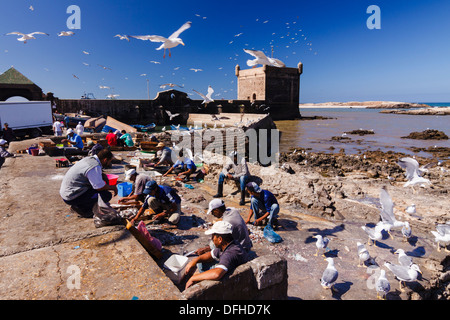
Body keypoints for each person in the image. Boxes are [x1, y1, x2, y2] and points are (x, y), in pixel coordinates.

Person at [184, 221, 248, 290]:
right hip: (230, 266)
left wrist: (194, 278)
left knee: (208, 270)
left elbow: (217, 274)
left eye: (213, 236)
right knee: (200, 262)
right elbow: (211, 254)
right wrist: (195, 260)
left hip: (233, 280)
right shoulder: (229, 244)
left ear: (220, 239)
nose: (212, 239)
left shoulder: (229, 253)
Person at [59, 149, 119, 222]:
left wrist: (103, 175)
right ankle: (83, 210)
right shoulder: (94, 167)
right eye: (109, 161)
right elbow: (99, 187)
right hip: (72, 196)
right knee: (106, 195)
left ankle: (80, 205)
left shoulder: (90, 159)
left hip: (68, 192)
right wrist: (113, 187)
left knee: (99, 191)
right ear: (105, 160)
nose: (109, 163)